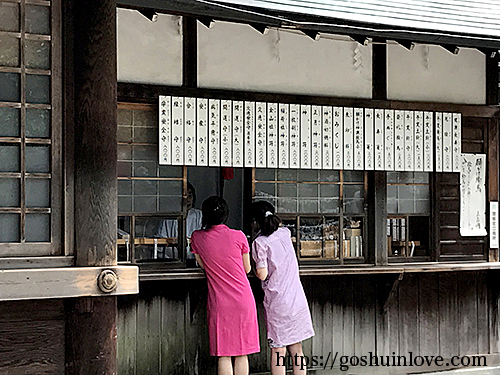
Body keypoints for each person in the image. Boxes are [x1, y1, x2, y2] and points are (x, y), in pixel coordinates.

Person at [190, 196, 260, 375]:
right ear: (226, 215)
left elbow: (203, 265)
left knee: (224, 354)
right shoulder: (239, 236)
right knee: (242, 352)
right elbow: (246, 268)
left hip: (219, 302)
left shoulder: (197, 238)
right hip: (243, 300)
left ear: (204, 216)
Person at [251, 200, 314, 375]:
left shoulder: (260, 243)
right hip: (296, 297)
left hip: (278, 301)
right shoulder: (285, 233)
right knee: (297, 348)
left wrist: (253, 269)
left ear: (256, 222)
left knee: (278, 350)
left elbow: (262, 274)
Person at [156, 182, 202, 260]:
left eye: (190, 195)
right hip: (172, 260)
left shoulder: (199, 215)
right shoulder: (169, 216)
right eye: (184, 196)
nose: (188, 200)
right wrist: (171, 241)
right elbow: (160, 241)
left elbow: (203, 239)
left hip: (194, 260)